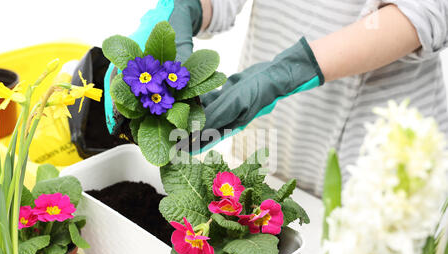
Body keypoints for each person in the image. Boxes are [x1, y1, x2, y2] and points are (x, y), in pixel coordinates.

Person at [143, 0, 448, 197]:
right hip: (271, 131)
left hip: (373, 150)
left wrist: (287, 72)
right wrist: (186, 7)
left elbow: (423, 13)